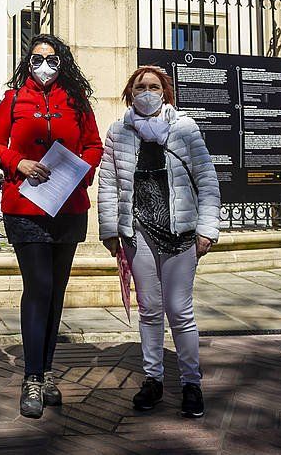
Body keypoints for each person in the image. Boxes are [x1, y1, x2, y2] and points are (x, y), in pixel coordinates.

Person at [0, 34, 102, 419]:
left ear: (62, 62)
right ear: (28, 62)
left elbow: (94, 145)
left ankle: (48, 371)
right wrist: (17, 162)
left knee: (56, 292)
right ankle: (32, 377)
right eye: (36, 59)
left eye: (51, 59)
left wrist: (79, 170)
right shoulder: (13, 99)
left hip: (67, 206)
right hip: (26, 208)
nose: (44, 66)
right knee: (38, 288)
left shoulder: (77, 102)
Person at [98, 65, 220, 419]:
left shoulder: (184, 127)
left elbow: (207, 179)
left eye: (153, 87)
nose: (146, 92)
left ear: (165, 92)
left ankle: (191, 383)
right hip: (140, 233)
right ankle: (153, 378)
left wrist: (207, 229)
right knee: (150, 310)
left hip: (181, 232)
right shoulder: (118, 132)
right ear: (130, 94)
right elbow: (108, 185)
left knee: (180, 311)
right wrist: (110, 231)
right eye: (140, 87)